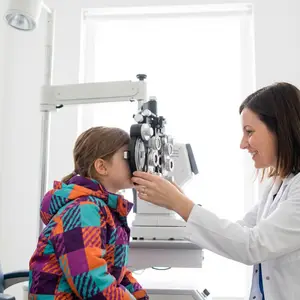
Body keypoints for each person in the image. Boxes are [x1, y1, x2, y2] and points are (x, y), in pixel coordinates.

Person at [132, 82, 300, 300]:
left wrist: (179, 204)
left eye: (249, 132)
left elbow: (252, 245)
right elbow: (240, 231)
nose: (243, 144)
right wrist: (180, 202)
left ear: (280, 129)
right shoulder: (278, 185)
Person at [29, 127, 149, 300]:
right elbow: (90, 281)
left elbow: (116, 272)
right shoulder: (83, 210)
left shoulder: (105, 209)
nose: (135, 163)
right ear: (101, 166)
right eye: (128, 156)